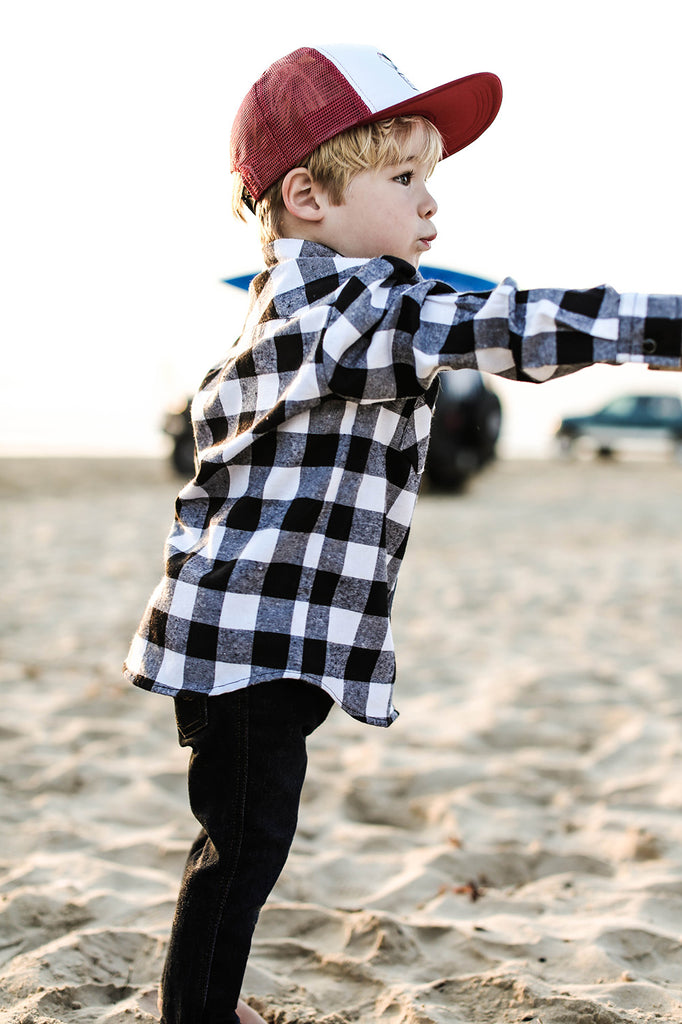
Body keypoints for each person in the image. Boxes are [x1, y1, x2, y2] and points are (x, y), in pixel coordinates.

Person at [124, 43, 682, 1024]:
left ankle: (204, 993)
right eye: (403, 177)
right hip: (254, 652)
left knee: (240, 833)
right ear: (308, 195)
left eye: (431, 179)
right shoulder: (355, 317)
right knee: (244, 841)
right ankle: (196, 1010)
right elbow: (522, 324)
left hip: (236, 640)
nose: (431, 205)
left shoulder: (283, 316)